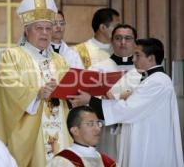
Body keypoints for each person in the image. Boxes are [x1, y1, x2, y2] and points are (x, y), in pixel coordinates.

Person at [69, 38, 184, 167]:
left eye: (137, 55)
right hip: (145, 140)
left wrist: (90, 100)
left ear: (151, 58)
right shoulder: (152, 79)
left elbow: (128, 109)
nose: (133, 59)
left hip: (150, 146)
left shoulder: (157, 81)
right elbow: (133, 109)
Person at [0, 0, 72, 167]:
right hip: (31, 137)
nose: (45, 33)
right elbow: (8, 89)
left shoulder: (60, 61)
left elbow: (70, 91)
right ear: (26, 30)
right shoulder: (13, 56)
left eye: (48, 28)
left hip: (61, 131)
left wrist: (74, 96)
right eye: (39, 28)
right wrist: (37, 94)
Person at [89, 24, 141, 159]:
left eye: (128, 38)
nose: (123, 42)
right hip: (106, 132)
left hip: (134, 131)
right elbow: (89, 100)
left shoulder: (143, 71)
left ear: (135, 42)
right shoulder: (97, 69)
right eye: (118, 38)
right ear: (112, 41)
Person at [47, 106, 116, 167]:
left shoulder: (108, 163)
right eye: (90, 124)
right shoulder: (62, 162)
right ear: (75, 131)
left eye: (98, 123)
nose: (98, 128)